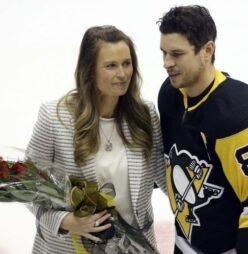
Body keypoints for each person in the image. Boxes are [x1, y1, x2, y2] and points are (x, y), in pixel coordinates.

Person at [157, 5, 248, 254]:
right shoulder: (170, 95)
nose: (167, 63)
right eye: (164, 53)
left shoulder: (238, 115)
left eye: (177, 54)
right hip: (193, 241)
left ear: (207, 50)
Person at [25, 25, 166, 254]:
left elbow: (166, 174)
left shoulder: (145, 115)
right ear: (90, 69)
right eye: (111, 65)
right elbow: (29, 185)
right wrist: (66, 220)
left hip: (134, 248)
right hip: (68, 247)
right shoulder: (54, 117)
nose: (122, 74)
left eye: (127, 63)